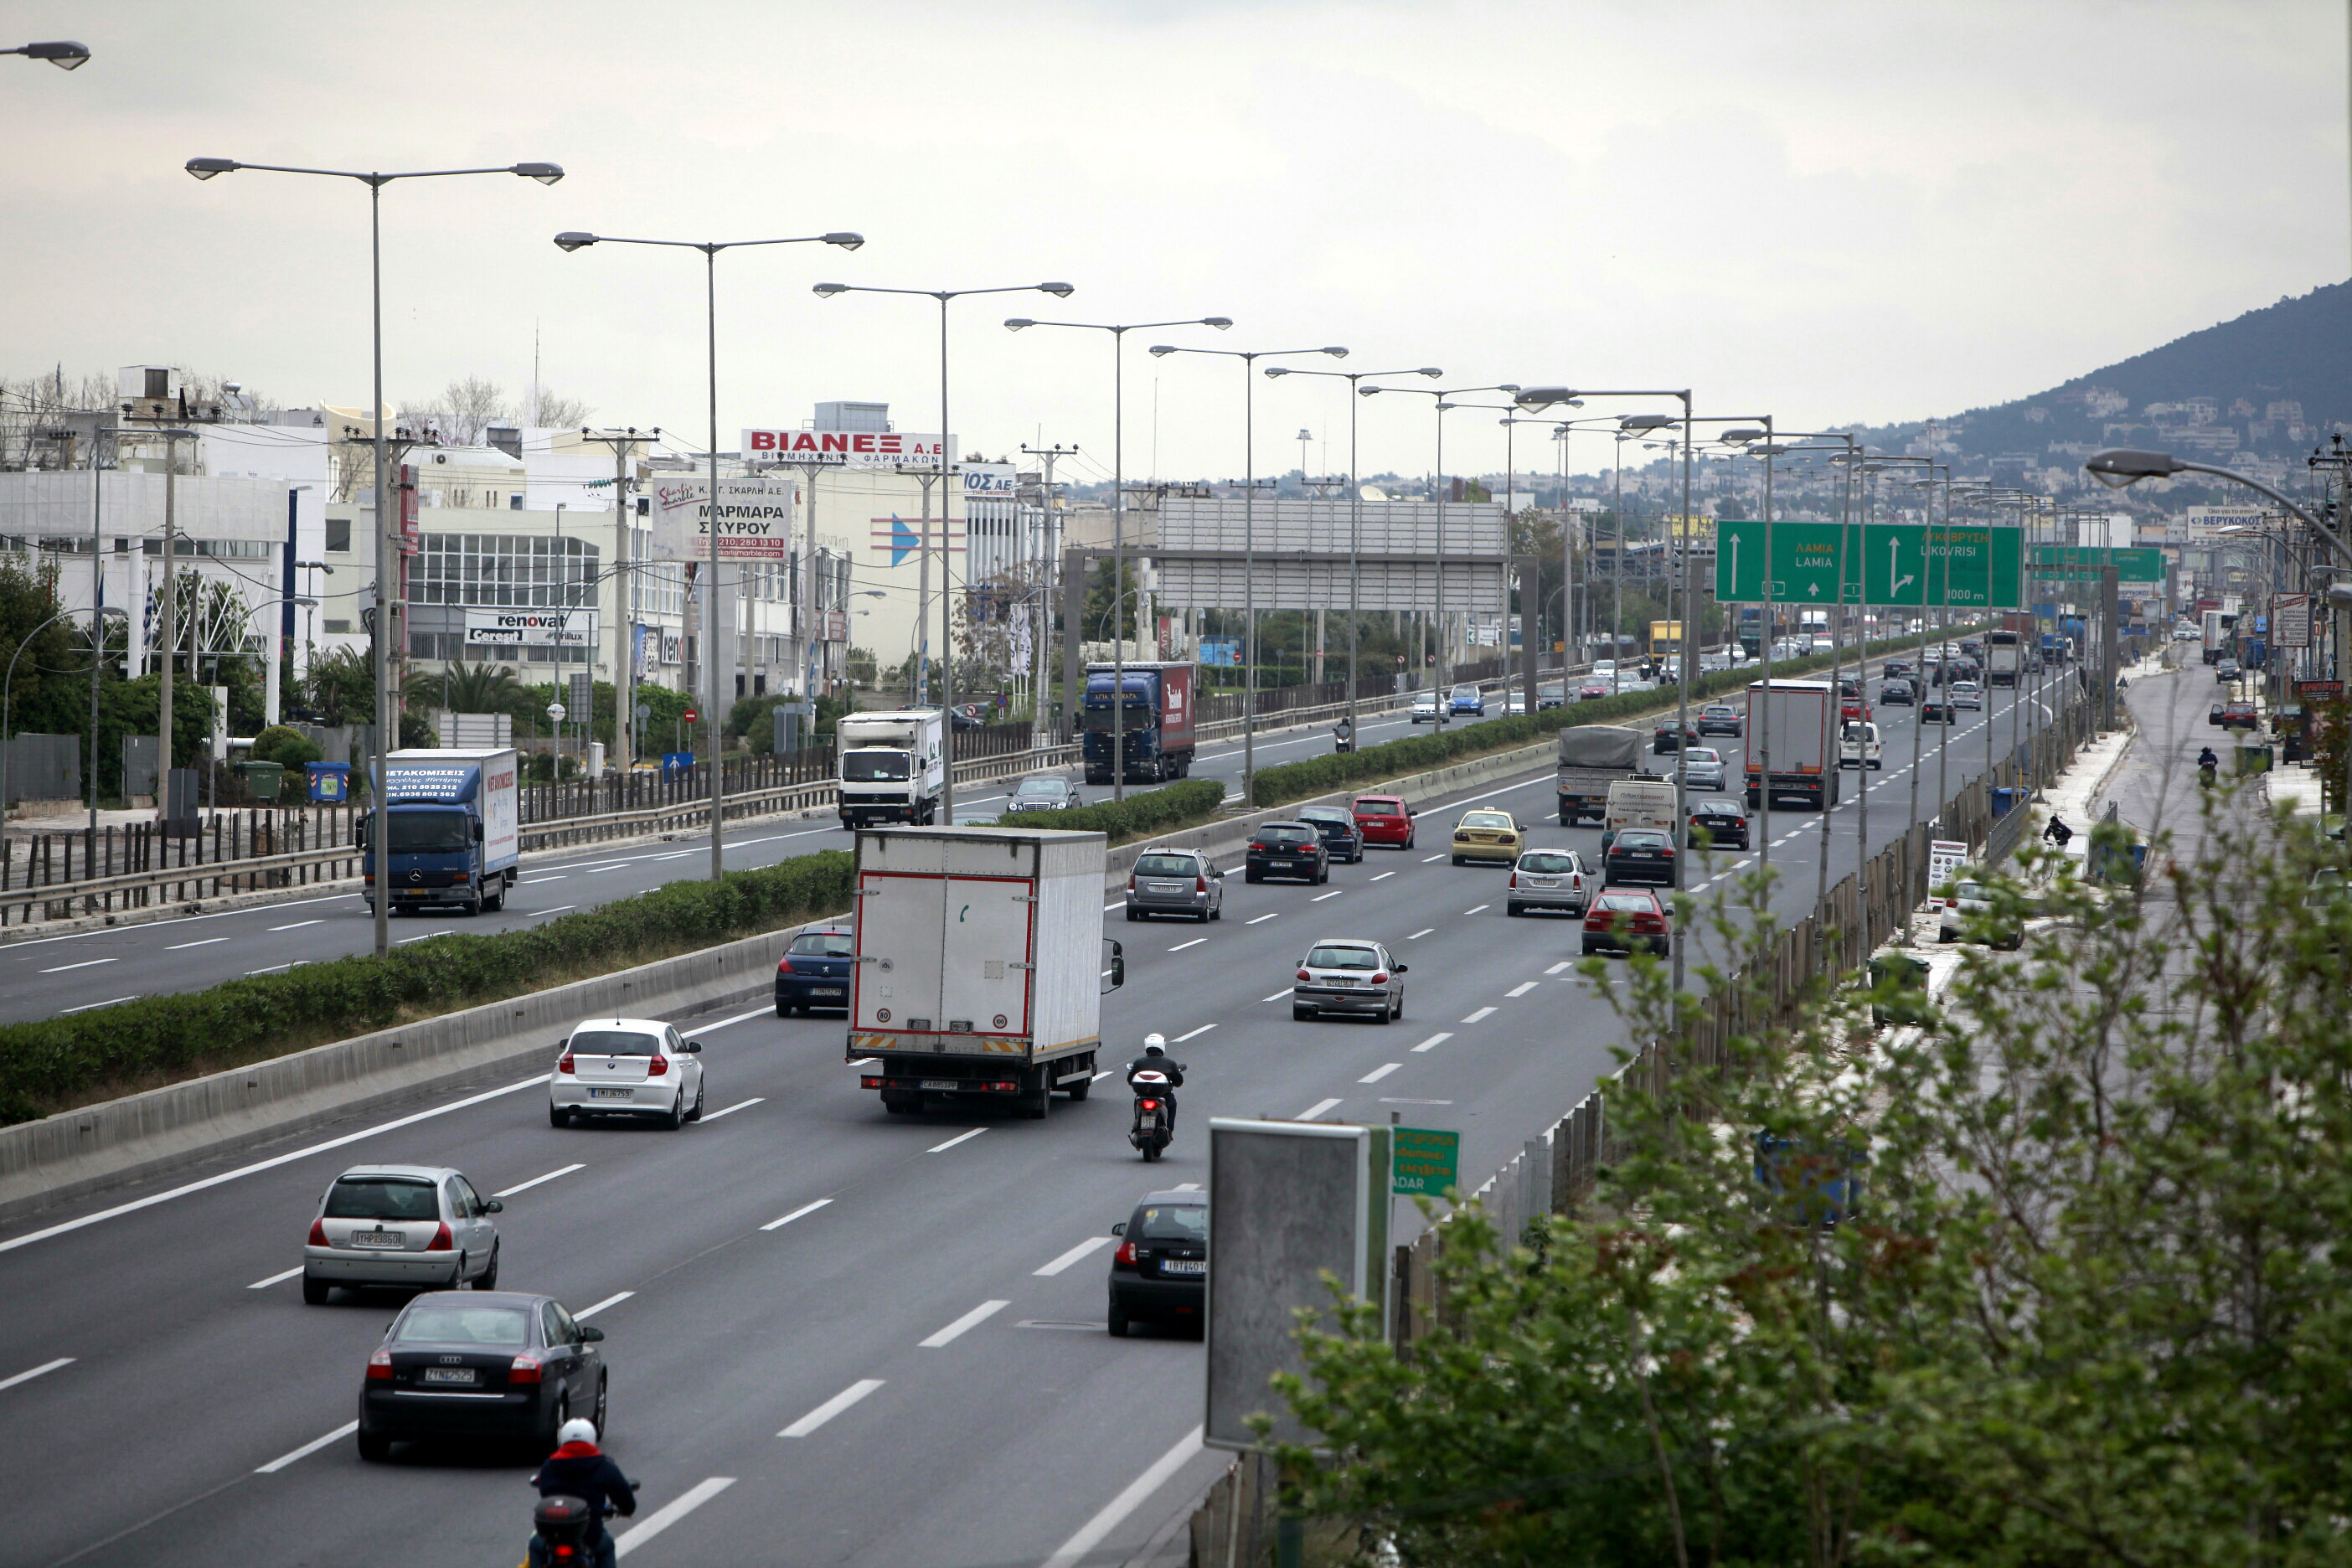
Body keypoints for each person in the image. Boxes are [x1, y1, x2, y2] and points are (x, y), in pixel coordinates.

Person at [531, 1418, 635, 1568]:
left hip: (553, 1536)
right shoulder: (604, 1466)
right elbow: (624, 1497)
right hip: (591, 1535)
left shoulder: (549, 1465)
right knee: (606, 1547)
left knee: (535, 1545)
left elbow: (545, 1493)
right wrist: (627, 1510)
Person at [1126, 1033, 1187, 1132]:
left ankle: (1137, 1123)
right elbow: (1178, 1082)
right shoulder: (1170, 1063)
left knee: (1137, 1100)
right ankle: (1169, 1129)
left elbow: (1129, 1080)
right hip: (1164, 1097)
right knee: (1172, 1103)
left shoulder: (1139, 1062)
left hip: (1142, 1096)